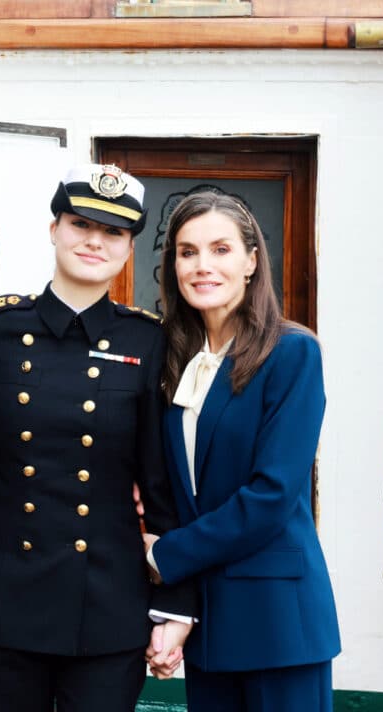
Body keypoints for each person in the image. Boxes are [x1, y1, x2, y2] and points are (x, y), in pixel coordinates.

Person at [0, 164, 195, 712]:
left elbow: (163, 484)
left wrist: (174, 604)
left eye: (113, 231)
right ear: (53, 229)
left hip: (107, 602)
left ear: (130, 246)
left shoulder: (149, 340)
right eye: (80, 223)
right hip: (2, 596)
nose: (94, 240)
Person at [143, 189, 340, 711]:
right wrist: (174, 610)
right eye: (187, 252)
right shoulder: (170, 356)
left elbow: (271, 495)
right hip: (210, 623)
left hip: (278, 621)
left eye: (221, 250)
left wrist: (165, 556)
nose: (202, 266)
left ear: (252, 261)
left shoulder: (293, 352)